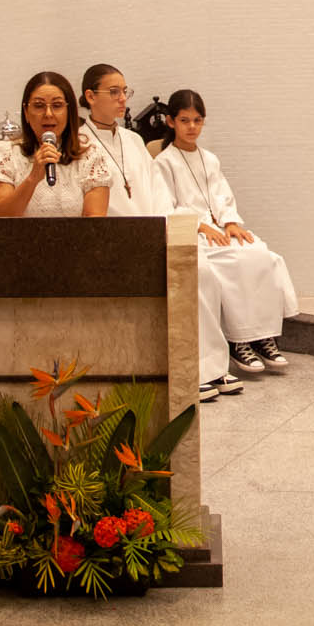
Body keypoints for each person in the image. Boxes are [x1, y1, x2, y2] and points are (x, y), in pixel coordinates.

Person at [79, 64, 240, 398]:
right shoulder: (79, 143)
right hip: (115, 238)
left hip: (152, 229)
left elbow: (157, 193)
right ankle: (188, 372)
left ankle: (211, 366)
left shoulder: (133, 140)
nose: (122, 99)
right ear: (90, 96)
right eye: (114, 92)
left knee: (201, 269)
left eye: (125, 91)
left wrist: (171, 225)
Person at [153, 88, 301, 376]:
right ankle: (239, 340)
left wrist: (231, 222)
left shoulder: (210, 159)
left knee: (260, 255)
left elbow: (222, 196)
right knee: (236, 262)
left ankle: (263, 336)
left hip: (220, 229)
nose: (192, 127)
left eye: (197, 120)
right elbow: (165, 206)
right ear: (171, 122)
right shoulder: (164, 163)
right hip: (192, 232)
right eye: (184, 120)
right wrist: (200, 225)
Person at [0, 71, 113, 217]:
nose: (48, 114)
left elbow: (95, 222)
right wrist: (32, 178)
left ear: (69, 111)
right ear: (26, 112)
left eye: (57, 105)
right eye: (39, 106)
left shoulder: (90, 155)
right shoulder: (4, 153)